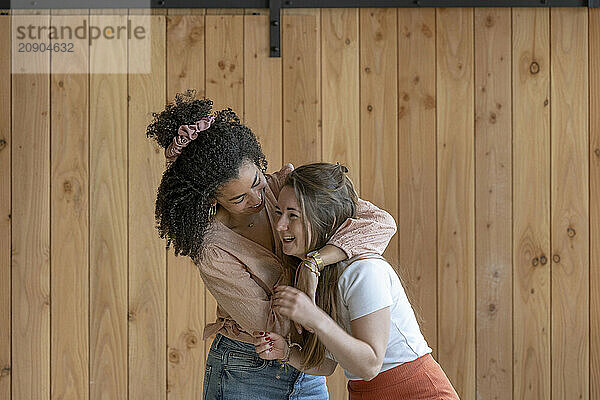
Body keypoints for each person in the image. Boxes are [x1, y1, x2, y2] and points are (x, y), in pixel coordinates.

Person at [146, 91, 397, 399]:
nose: (258, 200)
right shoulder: (212, 249)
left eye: (256, 181)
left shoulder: (283, 187)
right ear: (211, 199)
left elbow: (379, 222)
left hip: (310, 365)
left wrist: (314, 262)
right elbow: (276, 327)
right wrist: (319, 320)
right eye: (239, 198)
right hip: (246, 370)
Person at [255, 163, 459, 400]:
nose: (281, 226)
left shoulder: (364, 270)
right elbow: (328, 365)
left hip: (417, 393)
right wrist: (286, 352)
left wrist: (313, 316)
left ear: (327, 221)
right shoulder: (316, 277)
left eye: (293, 216)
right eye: (279, 213)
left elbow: (370, 365)